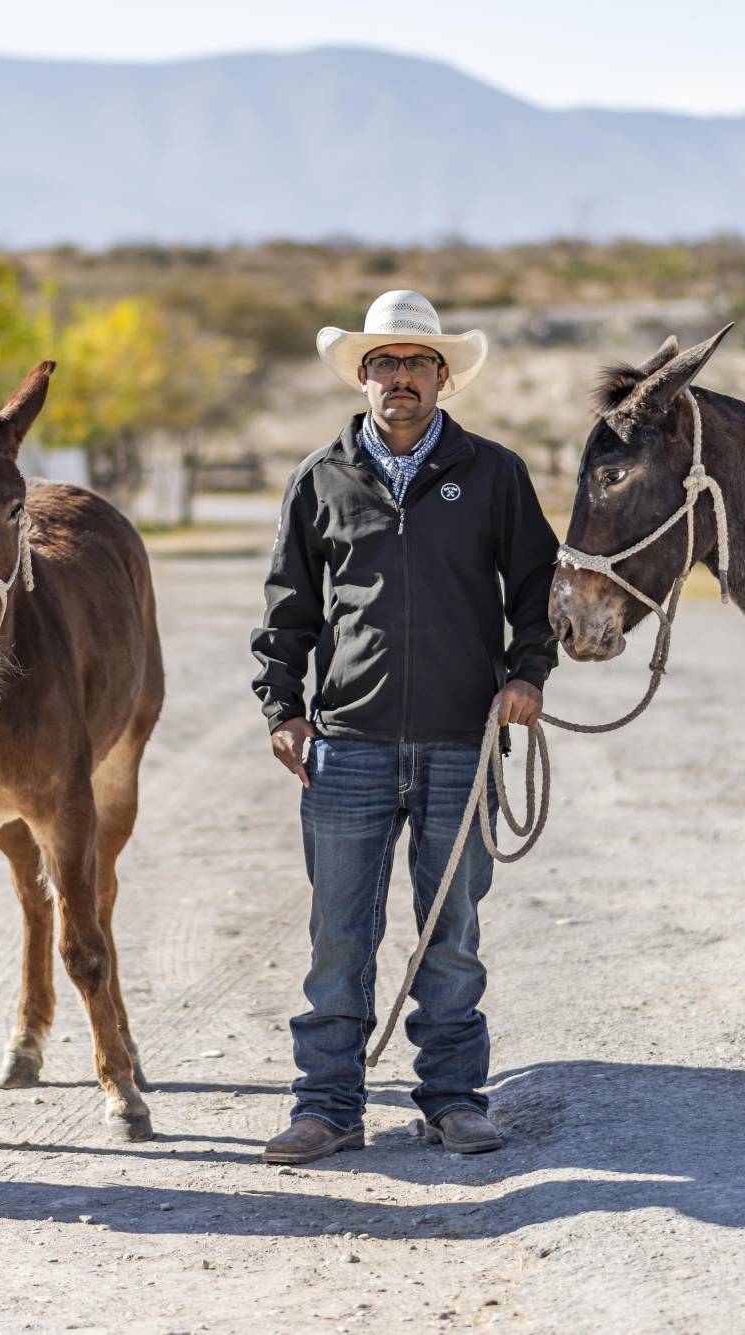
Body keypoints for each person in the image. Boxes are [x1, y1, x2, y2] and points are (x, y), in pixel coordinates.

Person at [251, 290, 559, 1165]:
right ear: (362, 376)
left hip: (464, 742)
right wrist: (283, 708)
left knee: (449, 933)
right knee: (338, 935)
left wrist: (529, 670)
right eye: (382, 363)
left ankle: (454, 1100)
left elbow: (537, 584)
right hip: (346, 744)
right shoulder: (320, 478)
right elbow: (288, 607)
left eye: (416, 363)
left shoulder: (494, 473)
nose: (398, 379)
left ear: (443, 377)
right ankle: (327, 1107)